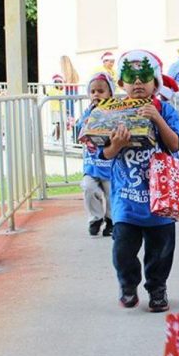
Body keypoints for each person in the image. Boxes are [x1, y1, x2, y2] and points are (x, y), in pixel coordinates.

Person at [98, 50, 179, 312]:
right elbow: (102, 152)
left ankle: (157, 288)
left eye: (145, 77)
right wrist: (116, 145)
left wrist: (157, 119)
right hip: (127, 198)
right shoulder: (111, 112)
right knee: (123, 249)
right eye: (131, 78)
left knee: (161, 251)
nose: (138, 83)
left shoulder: (165, 110)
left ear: (155, 82)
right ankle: (128, 285)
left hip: (161, 197)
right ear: (122, 83)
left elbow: (176, 143)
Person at [75, 72, 115, 237]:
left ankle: (111, 220)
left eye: (100, 91)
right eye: (93, 92)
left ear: (110, 93)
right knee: (89, 188)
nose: (96, 95)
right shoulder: (87, 113)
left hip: (109, 165)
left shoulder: (115, 111)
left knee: (111, 194)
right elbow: (78, 131)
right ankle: (96, 218)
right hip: (92, 165)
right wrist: (88, 116)